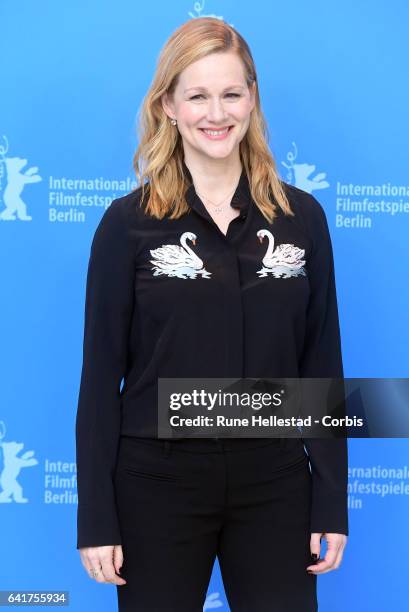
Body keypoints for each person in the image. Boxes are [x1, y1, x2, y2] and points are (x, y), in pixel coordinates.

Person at [75, 16, 348, 612]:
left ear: (252, 97)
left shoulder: (302, 219)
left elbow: (320, 366)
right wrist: (96, 514)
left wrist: (330, 500)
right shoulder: (127, 226)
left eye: (231, 93)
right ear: (167, 105)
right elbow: (99, 379)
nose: (216, 112)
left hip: (275, 481)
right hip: (156, 483)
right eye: (196, 95)